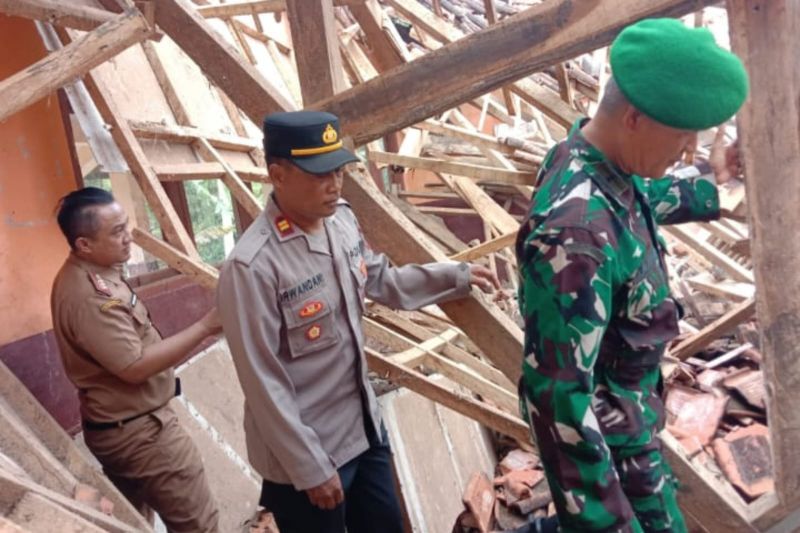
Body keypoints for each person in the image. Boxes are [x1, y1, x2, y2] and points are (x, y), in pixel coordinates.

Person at [217, 110, 502, 533]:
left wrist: (454, 275)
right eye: (319, 175)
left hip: (363, 427)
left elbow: (382, 279)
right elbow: (263, 382)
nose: (334, 185)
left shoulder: (341, 221)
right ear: (277, 175)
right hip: (310, 451)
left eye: (338, 171)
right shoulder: (252, 266)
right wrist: (310, 467)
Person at [515, 19, 748, 533]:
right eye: (682, 134)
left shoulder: (592, 159)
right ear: (637, 119)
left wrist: (715, 183)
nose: (689, 149)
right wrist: (607, 523)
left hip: (632, 427)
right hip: (609, 457)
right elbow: (557, 403)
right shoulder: (574, 238)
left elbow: (638, 204)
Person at [51, 187, 221, 532]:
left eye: (126, 226)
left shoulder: (99, 271)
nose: (128, 238)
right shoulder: (89, 296)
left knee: (136, 521)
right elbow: (133, 366)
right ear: (84, 244)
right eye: (116, 232)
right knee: (199, 525)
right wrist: (206, 325)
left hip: (125, 425)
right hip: (141, 433)